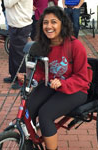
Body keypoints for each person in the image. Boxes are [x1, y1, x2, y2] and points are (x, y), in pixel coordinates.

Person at [18, 6, 92, 150]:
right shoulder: (43, 45)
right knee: (28, 109)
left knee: (45, 114)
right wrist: (29, 77)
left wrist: (63, 83)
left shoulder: (75, 45)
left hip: (76, 89)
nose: (49, 26)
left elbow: (82, 78)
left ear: (62, 24)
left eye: (53, 22)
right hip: (51, 84)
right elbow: (41, 71)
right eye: (45, 22)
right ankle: (30, 144)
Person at [3, 0, 33, 89]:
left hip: (20, 25)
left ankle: (22, 79)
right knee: (13, 52)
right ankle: (14, 76)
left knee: (19, 54)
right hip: (16, 24)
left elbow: (7, 4)